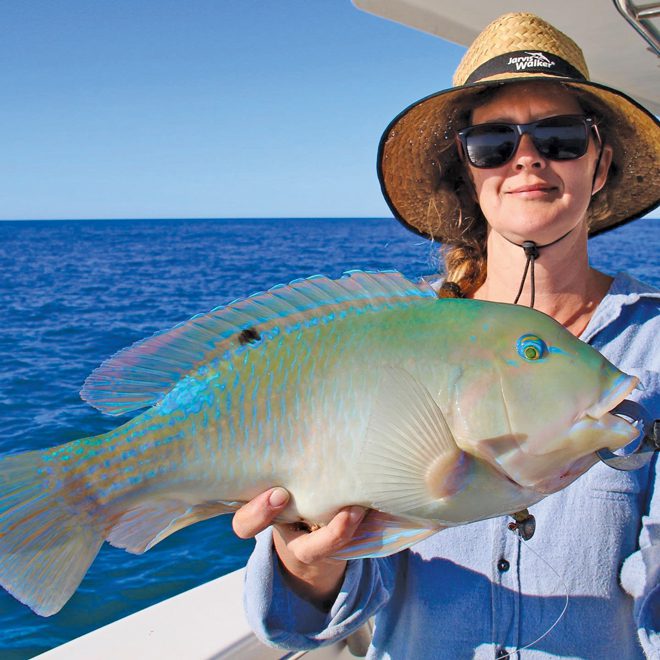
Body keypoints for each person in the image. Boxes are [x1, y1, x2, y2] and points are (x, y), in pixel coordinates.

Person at [233, 13, 660, 658]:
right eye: (493, 144)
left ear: (598, 165)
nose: (528, 159)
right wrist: (309, 562)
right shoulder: (387, 340)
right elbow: (309, 618)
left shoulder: (651, 345)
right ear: (468, 176)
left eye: (562, 137)